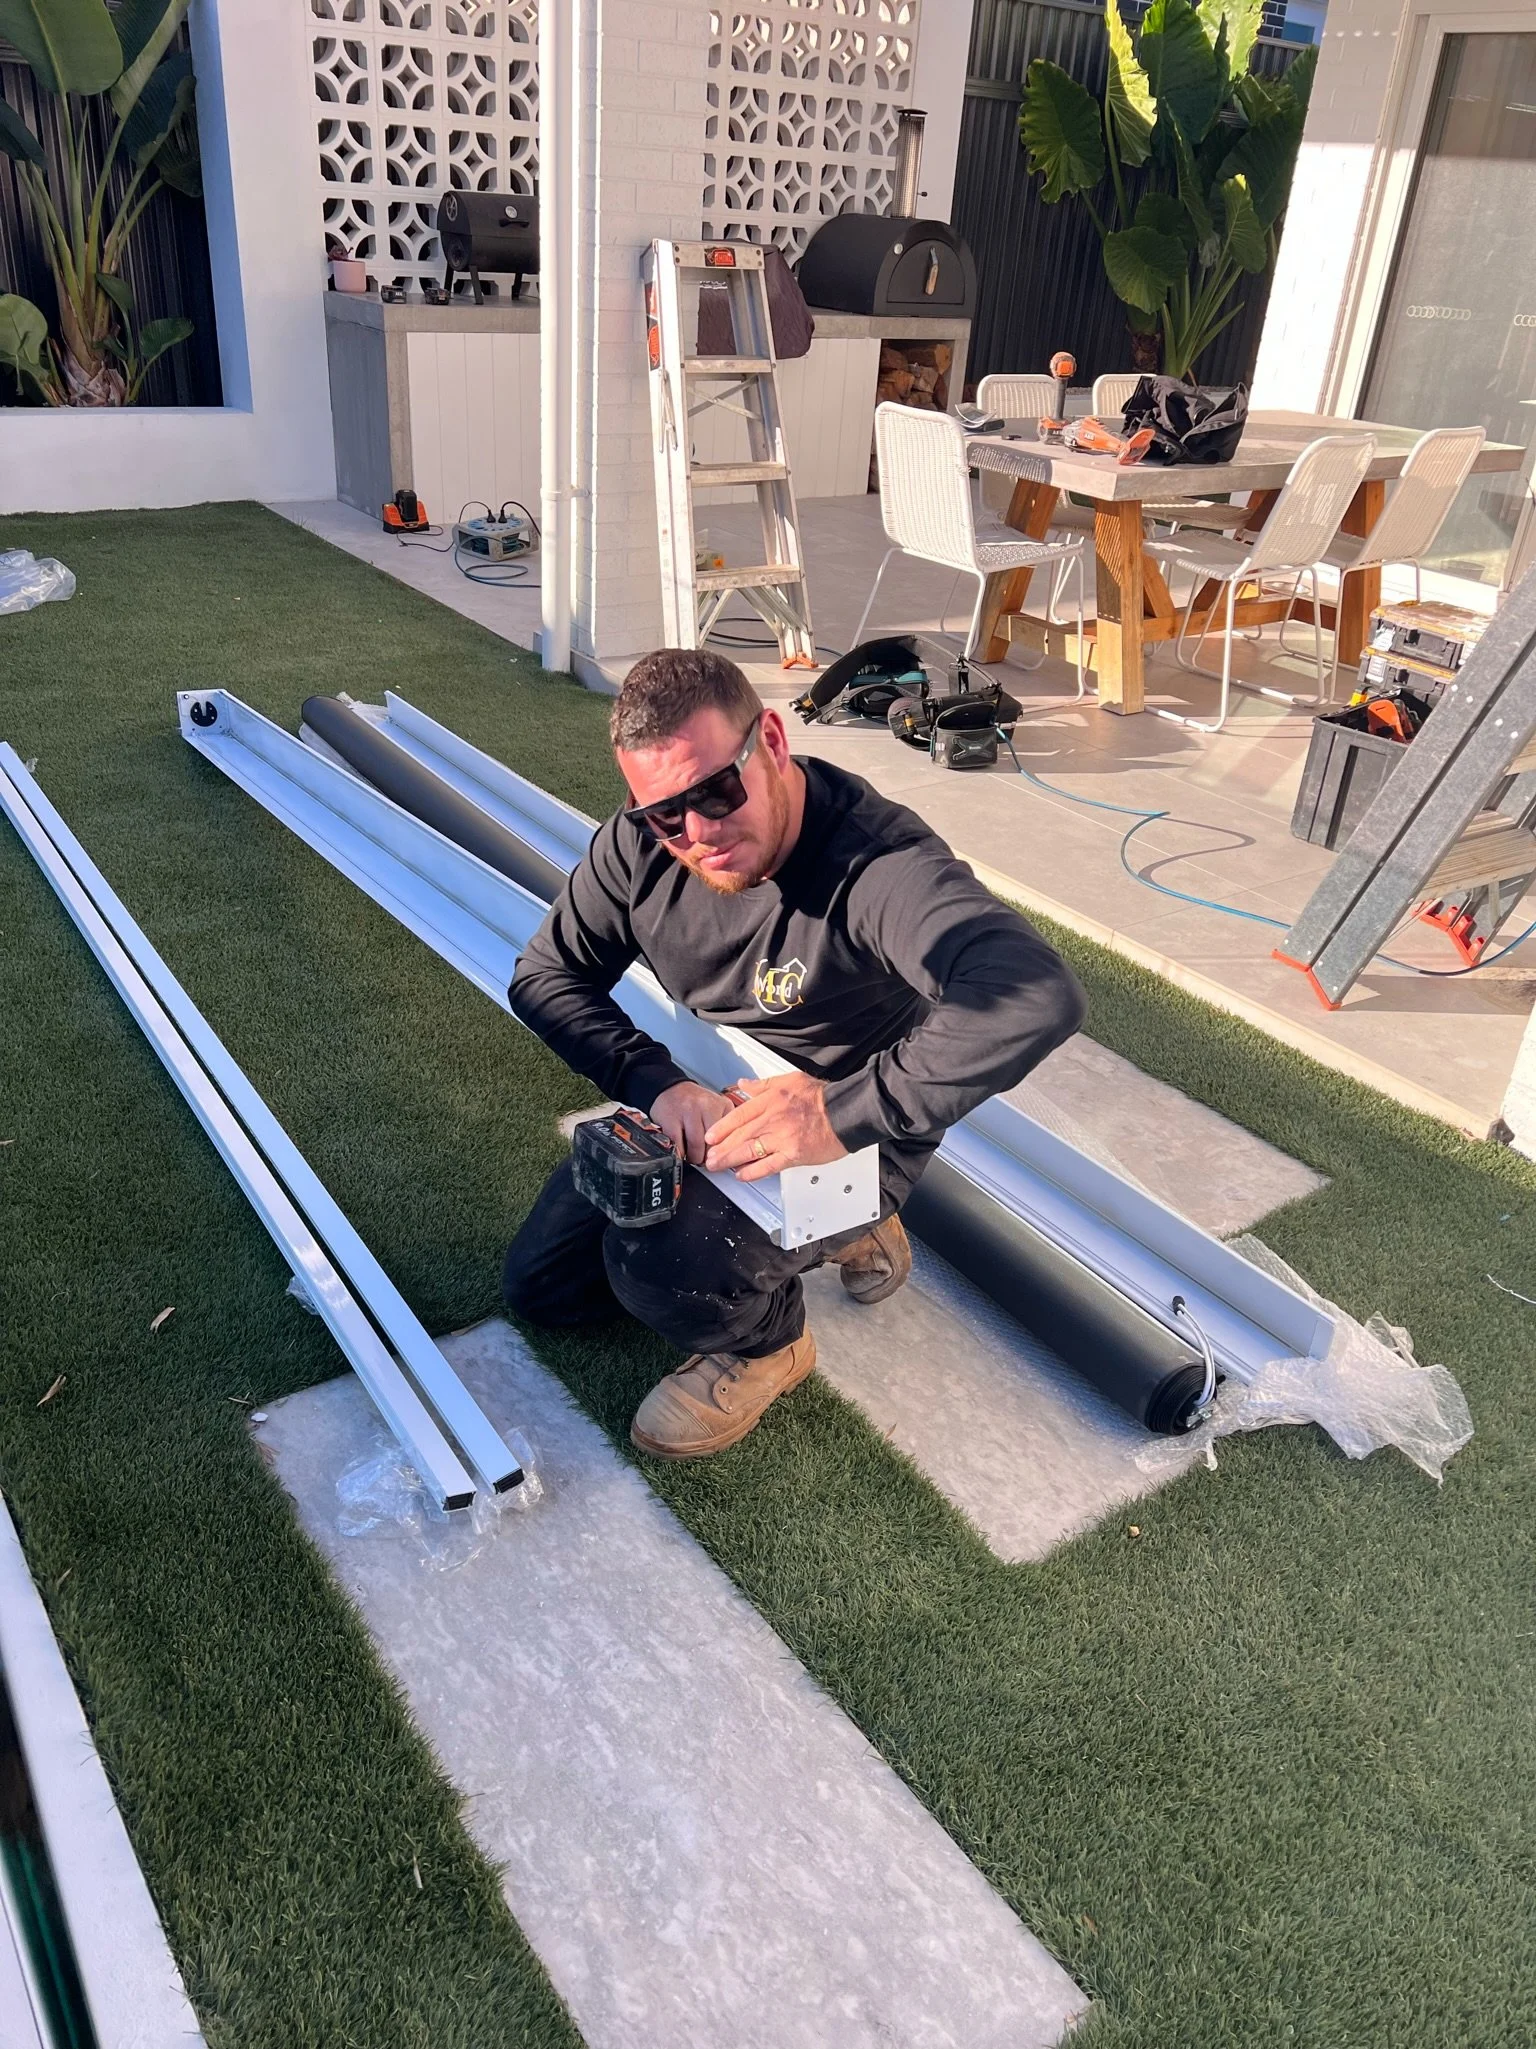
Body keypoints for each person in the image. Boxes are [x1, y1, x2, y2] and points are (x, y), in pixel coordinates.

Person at [504, 648, 1085, 1459]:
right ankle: (837, 1237)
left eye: (715, 791)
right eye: (665, 814)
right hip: (709, 1105)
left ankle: (772, 1340)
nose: (697, 833)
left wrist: (838, 1114)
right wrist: (655, 1080)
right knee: (544, 1288)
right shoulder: (637, 847)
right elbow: (544, 975)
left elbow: (1034, 991)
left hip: (849, 1142)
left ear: (771, 740)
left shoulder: (877, 864)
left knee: (661, 1266)